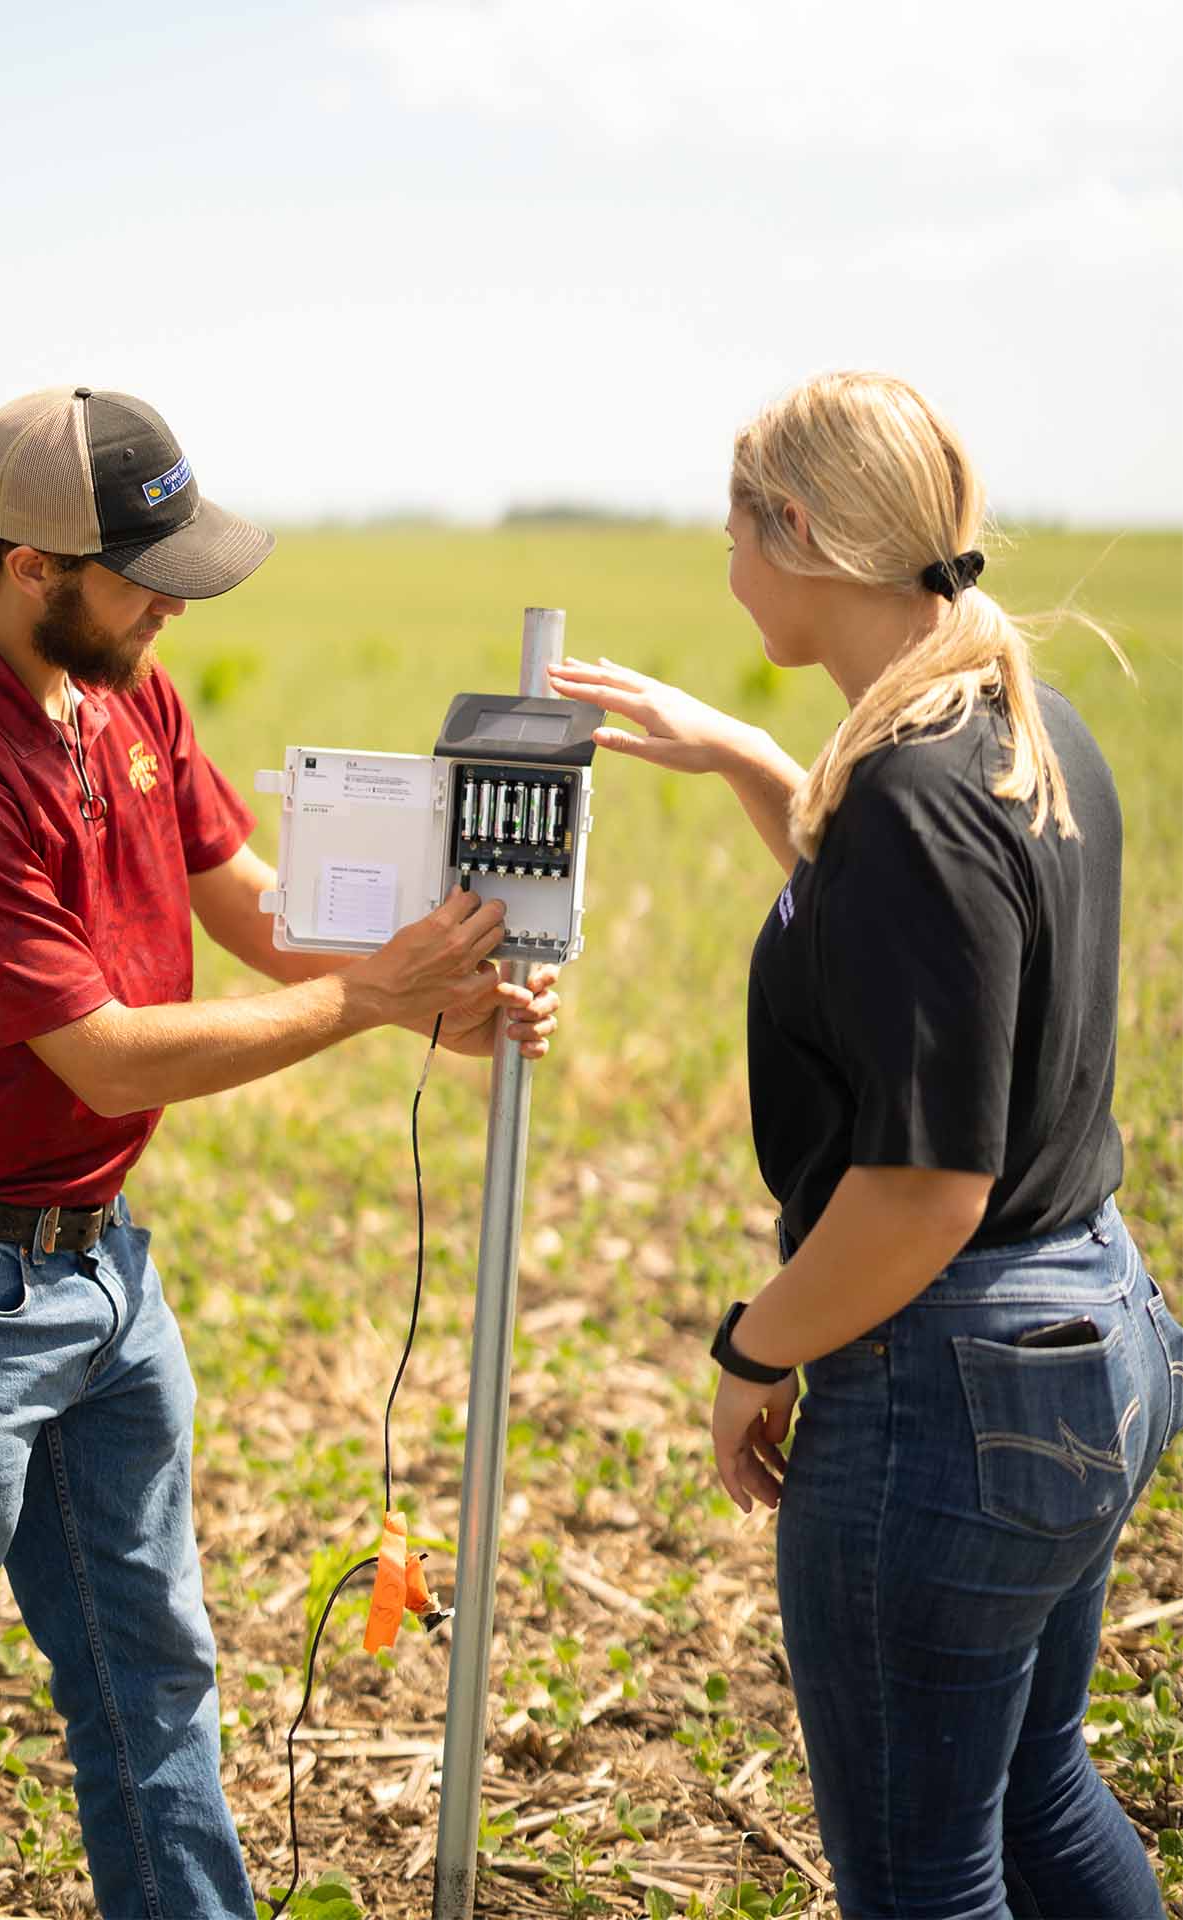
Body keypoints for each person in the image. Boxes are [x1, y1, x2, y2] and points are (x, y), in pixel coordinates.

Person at [0, 385, 560, 1920]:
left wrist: (434, 1003)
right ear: (30, 569)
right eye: (147, 574)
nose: (172, 607)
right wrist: (364, 1003)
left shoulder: (125, 688)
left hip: (100, 1274)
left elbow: (242, 893)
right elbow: (103, 1048)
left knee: (157, 1681)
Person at [548, 371, 1183, 1918]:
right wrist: (747, 760)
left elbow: (919, 1194)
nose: (723, 561)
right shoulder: (1027, 728)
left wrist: (751, 1352)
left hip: (947, 1391)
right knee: (1035, 1789)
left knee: (918, 1875)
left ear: (802, 528)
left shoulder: (910, 794)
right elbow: (905, 952)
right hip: (1090, 1328)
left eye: (733, 526)